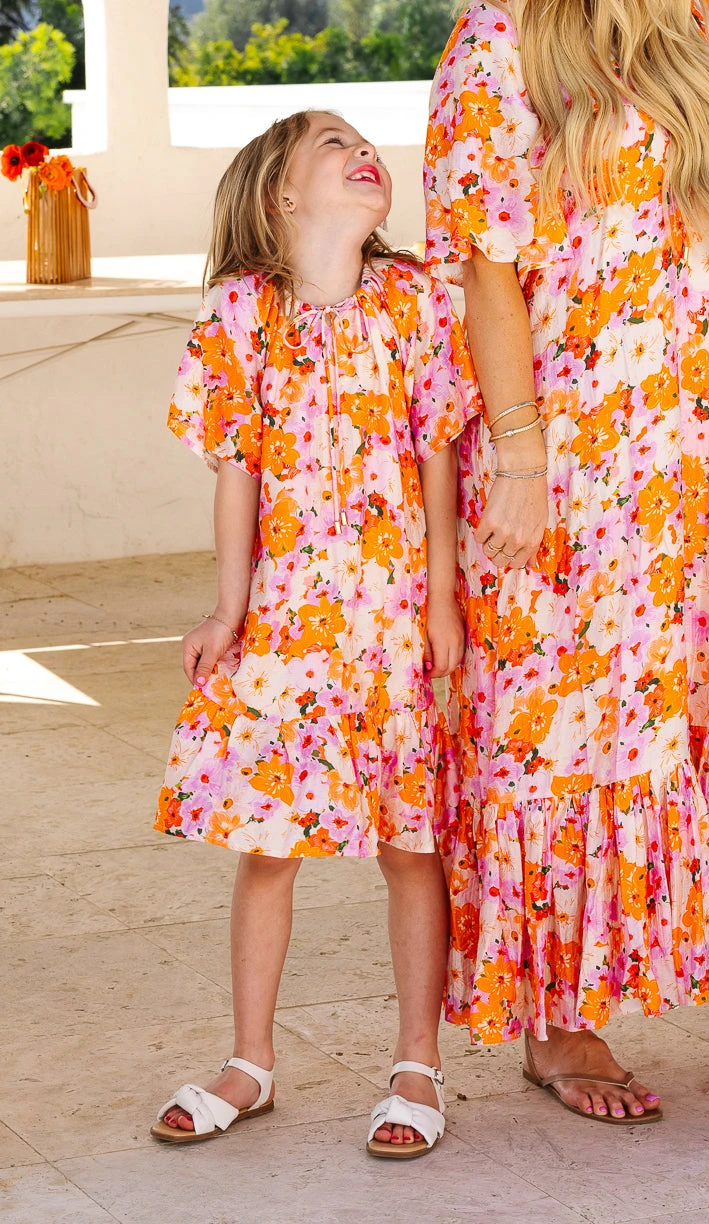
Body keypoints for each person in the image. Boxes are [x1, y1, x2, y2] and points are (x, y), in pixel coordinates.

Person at [425, 0, 709, 1124]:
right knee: (567, 720)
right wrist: (522, 458)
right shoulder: (501, 38)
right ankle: (558, 1019)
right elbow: (485, 267)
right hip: (579, 451)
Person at [150, 109, 481, 1157]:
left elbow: (438, 455)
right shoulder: (242, 313)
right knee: (270, 846)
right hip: (291, 625)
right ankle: (250, 1061)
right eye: (332, 142)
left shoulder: (416, 301)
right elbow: (237, 473)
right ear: (282, 194)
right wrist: (228, 609)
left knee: (411, 846)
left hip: (392, 621)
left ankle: (418, 1062)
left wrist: (441, 602)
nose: (361, 149)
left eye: (362, 139)